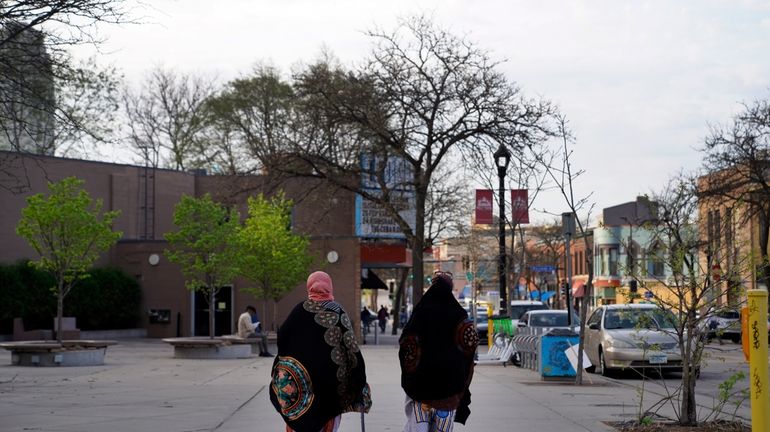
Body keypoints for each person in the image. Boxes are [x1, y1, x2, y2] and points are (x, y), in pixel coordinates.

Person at [270, 271, 371, 432]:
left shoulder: (298, 310)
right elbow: (352, 349)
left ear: (309, 288)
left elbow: (282, 338)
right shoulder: (337, 311)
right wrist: (359, 380)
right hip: (329, 388)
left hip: (301, 389)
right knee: (327, 419)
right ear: (329, 288)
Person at [399, 271, 478, 432]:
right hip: (448, 394)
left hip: (421, 392)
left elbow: (406, 344)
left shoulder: (420, 312)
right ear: (450, 288)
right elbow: (470, 347)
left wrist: (413, 373)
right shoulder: (459, 315)